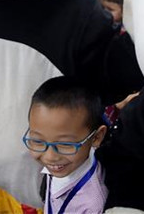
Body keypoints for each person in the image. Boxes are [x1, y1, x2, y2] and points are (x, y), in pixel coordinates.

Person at [24, 77, 108, 214]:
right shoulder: (63, 165)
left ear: (96, 137)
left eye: (64, 144)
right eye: (38, 141)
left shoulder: (92, 206)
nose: (50, 157)